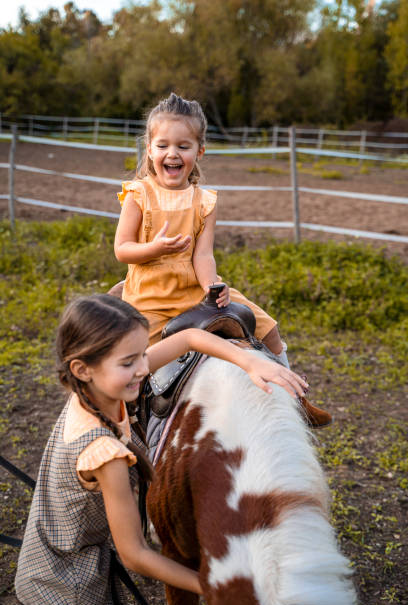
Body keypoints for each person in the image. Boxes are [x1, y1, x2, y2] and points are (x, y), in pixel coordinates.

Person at [15, 293, 308, 605]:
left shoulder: (94, 388)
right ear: (82, 368)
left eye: (143, 354)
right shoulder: (104, 453)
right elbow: (135, 554)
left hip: (70, 548)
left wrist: (249, 360)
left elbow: (189, 338)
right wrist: (211, 585)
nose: (144, 369)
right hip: (68, 581)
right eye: (129, 361)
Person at [114, 92, 331, 427]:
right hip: (150, 297)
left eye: (183, 146)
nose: (172, 154)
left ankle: (294, 397)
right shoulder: (139, 195)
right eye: (163, 145)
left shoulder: (205, 201)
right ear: (149, 149)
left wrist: (212, 286)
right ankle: (125, 424)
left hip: (191, 291)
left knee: (267, 327)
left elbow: (203, 255)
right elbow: (123, 249)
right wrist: (154, 249)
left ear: (199, 151)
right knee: (133, 363)